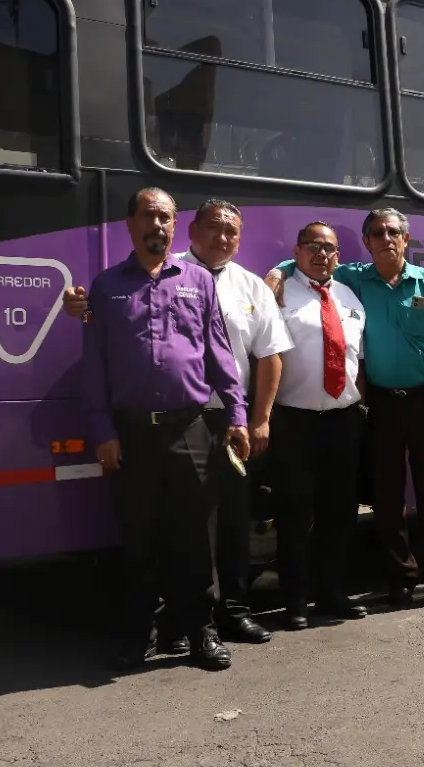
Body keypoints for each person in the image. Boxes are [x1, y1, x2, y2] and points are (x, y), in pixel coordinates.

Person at [65, 199, 289, 646]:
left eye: (163, 216)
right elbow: (94, 366)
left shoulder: (199, 281)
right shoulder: (107, 287)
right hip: (132, 431)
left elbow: (223, 355)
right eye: (148, 216)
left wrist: (242, 416)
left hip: (193, 427)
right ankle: (140, 633)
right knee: (141, 535)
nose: (156, 225)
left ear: (173, 226)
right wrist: (103, 430)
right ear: (130, 224)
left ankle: (201, 630)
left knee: (197, 538)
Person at [265, 209, 424, 609]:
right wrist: (277, 270)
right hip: (378, 405)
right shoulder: (353, 278)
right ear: (368, 242)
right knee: (387, 498)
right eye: (377, 232)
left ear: (406, 240)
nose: (386, 238)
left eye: (394, 232)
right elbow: (311, 259)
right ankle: (402, 578)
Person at [270, 222, 368, 629]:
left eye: (329, 248)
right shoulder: (277, 293)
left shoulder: (348, 297)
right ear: (296, 251)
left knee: (340, 512)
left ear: (338, 256)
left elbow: (357, 358)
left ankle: (333, 592)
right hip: (295, 420)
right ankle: (294, 600)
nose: (322, 253)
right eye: (313, 246)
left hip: (344, 421)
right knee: (294, 513)